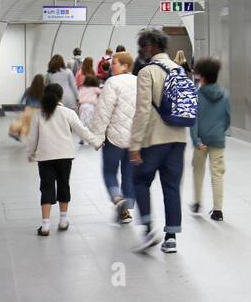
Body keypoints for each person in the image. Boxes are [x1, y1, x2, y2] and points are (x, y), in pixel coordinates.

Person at [129, 27, 193, 253]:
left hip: (154, 140)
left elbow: (143, 111)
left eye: (142, 46)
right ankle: (171, 237)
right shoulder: (180, 70)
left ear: (151, 46)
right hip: (178, 138)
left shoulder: (148, 72)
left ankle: (147, 230)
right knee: (172, 186)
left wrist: (134, 144)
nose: (141, 51)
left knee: (139, 180)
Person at [26, 84, 103, 236]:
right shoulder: (68, 113)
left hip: (45, 157)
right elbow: (82, 130)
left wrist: (31, 153)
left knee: (46, 188)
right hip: (65, 156)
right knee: (64, 185)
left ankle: (46, 225)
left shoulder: (39, 115)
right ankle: (63, 221)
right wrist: (96, 142)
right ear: (60, 96)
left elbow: (32, 138)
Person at [88, 51, 138, 223]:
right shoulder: (139, 81)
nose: (112, 66)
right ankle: (126, 211)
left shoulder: (112, 82)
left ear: (125, 65)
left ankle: (117, 198)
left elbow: (103, 112)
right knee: (129, 174)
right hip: (133, 139)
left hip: (114, 139)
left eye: (115, 63)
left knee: (109, 171)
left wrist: (97, 136)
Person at [189, 57, 230, 222]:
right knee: (217, 174)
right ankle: (218, 210)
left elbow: (193, 121)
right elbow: (228, 119)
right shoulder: (225, 95)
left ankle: (198, 202)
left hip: (201, 141)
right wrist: (219, 132)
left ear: (203, 77)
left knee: (198, 171)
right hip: (218, 140)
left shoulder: (196, 95)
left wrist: (196, 141)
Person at [8, 75, 45, 141]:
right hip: (39, 110)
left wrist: (17, 108)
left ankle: (17, 132)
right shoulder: (44, 90)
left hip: (29, 110)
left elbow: (21, 100)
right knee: (38, 126)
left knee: (25, 124)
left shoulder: (29, 89)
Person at [77, 73, 102, 143]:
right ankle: (90, 138)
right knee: (90, 122)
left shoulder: (82, 88)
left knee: (82, 122)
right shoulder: (95, 89)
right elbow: (102, 93)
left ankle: (82, 138)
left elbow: (78, 97)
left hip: (82, 106)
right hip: (91, 107)